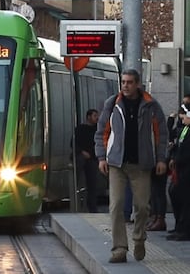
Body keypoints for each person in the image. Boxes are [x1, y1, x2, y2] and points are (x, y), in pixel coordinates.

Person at [95, 68, 168, 263]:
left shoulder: (151, 106)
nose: (125, 86)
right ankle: (119, 248)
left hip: (141, 164)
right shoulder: (112, 104)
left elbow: (161, 134)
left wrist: (161, 159)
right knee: (116, 205)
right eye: (123, 82)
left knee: (142, 207)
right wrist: (102, 157)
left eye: (129, 82)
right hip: (117, 163)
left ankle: (139, 239)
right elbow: (102, 131)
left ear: (137, 84)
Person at [166, 102, 190, 241]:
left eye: (185, 115)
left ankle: (185, 229)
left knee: (185, 200)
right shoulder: (185, 128)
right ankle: (179, 226)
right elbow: (176, 140)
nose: (182, 118)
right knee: (175, 194)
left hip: (187, 170)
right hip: (180, 169)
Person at [74, 109, 99, 213]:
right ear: (88, 117)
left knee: (92, 183)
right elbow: (74, 143)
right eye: (94, 116)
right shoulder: (80, 129)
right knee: (78, 177)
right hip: (82, 157)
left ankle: (92, 206)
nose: (97, 118)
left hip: (93, 159)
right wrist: (82, 152)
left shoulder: (97, 129)